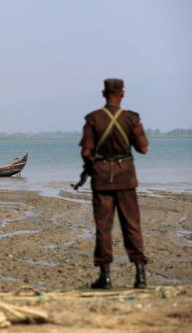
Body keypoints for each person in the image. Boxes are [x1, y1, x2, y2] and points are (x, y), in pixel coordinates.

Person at [79, 78, 149, 290]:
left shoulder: (94, 119)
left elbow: (86, 152)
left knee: (103, 227)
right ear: (122, 94)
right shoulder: (131, 118)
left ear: (104, 94)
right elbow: (143, 148)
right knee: (132, 225)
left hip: (101, 181)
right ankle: (140, 275)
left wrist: (92, 167)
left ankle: (105, 277)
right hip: (126, 178)